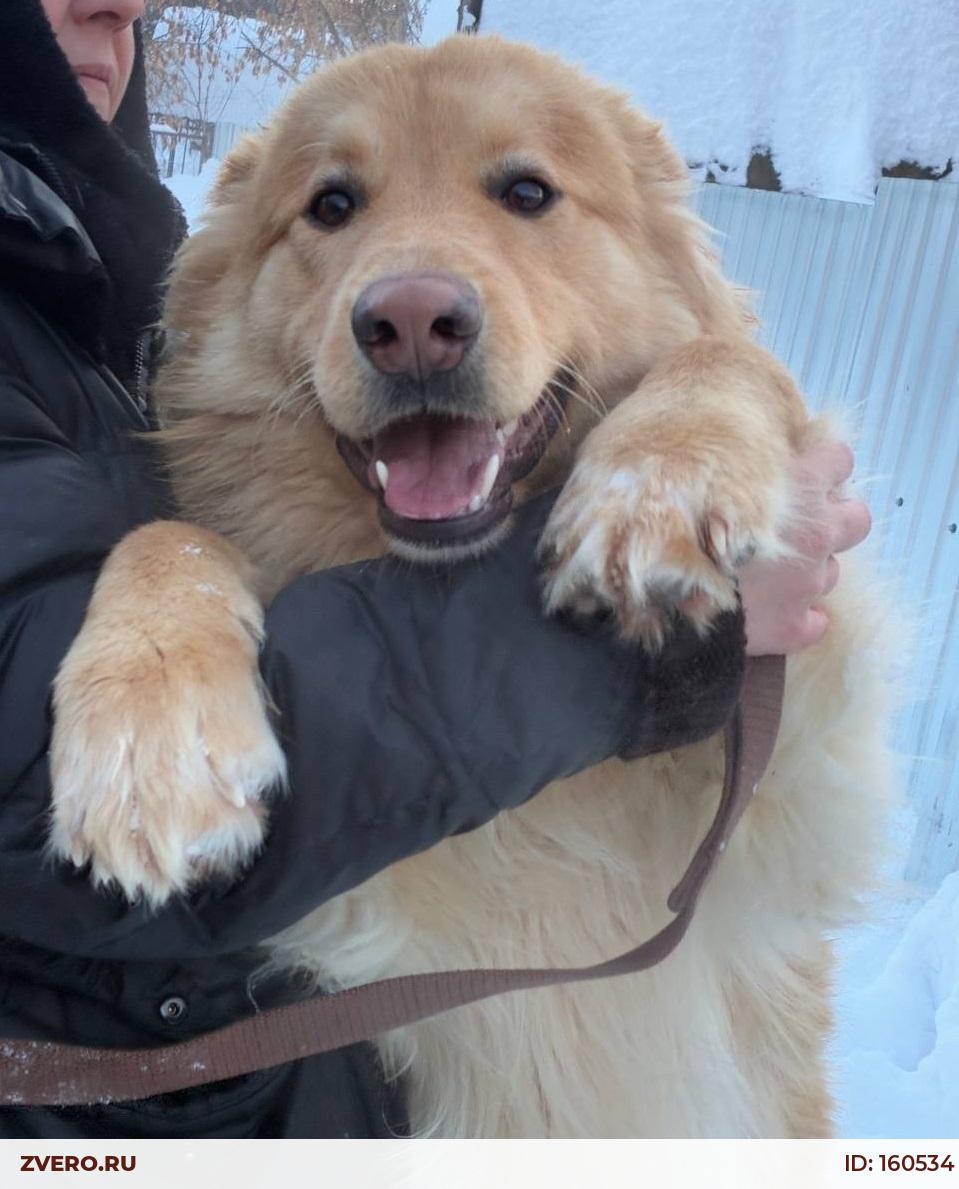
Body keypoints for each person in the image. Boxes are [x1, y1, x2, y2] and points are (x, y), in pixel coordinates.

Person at [0, 0, 871, 1140]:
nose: (413, 294)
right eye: (333, 206)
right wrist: (171, 579)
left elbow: (816, 807)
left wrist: (722, 391)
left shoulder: (79, 255)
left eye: (524, 192)